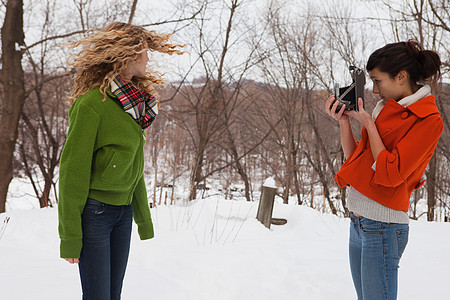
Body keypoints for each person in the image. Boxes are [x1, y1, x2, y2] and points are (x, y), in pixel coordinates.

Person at [58, 22, 184, 300]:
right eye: (144, 52)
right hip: (96, 215)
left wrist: (143, 218)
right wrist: (70, 237)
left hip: (122, 213)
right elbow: (72, 172)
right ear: (126, 54)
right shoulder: (92, 104)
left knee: (113, 295)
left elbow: (133, 167)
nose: (148, 58)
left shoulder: (132, 105)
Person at [325, 40, 443, 299]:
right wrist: (344, 122)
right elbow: (355, 161)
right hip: (359, 221)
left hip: (383, 225)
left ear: (401, 77)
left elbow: (390, 174)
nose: (375, 91)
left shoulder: (428, 120)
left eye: (378, 81)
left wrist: (368, 123)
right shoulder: (384, 109)